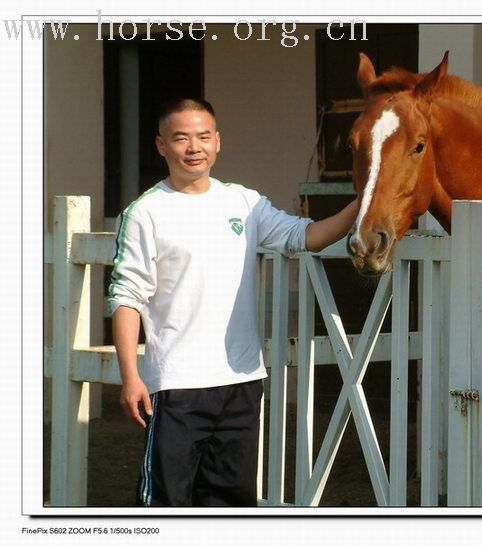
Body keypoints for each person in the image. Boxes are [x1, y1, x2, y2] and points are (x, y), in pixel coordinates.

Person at [108, 98, 358, 507]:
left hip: (241, 382)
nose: (194, 147)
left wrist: (359, 207)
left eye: (203, 136)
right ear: (161, 145)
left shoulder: (244, 202)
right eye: (181, 138)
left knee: (232, 503)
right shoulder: (145, 213)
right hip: (176, 386)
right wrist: (131, 376)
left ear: (218, 142)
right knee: (168, 503)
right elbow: (126, 296)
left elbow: (304, 236)